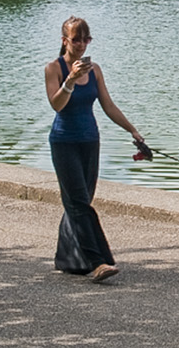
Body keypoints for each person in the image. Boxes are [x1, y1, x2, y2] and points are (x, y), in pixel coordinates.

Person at [44, 16, 144, 283]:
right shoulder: (54, 69)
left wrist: (132, 130)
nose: (81, 45)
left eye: (85, 39)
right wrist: (71, 81)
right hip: (64, 141)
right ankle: (98, 262)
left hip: (90, 141)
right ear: (64, 40)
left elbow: (108, 106)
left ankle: (66, 258)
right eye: (75, 40)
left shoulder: (95, 70)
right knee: (77, 201)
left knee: (80, 201)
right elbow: (57, 105)